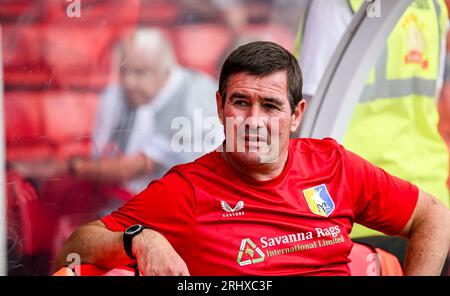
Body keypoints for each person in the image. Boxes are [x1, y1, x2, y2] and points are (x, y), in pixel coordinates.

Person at [56, 41, 450, 276]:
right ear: (220, 107)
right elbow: (74, 247)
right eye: (241, 102)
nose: (253, 121)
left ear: (296, 115)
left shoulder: (334, 164)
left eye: (271, 106)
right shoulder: (189, 189)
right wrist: (140, 239)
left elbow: (433, 215)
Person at [298, 0, 450, 241]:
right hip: (429, 205)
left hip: (360, 205)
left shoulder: (338, 3)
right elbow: (436, 100)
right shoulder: (433, 6)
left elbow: (308, 112)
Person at [11, 27, 223, 197]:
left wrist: (64, 167)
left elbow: (130, 169)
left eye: (140, 72)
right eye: (124, 71)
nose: (129, 82)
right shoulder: (118, 95)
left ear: (166, 70)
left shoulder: (191, 102)